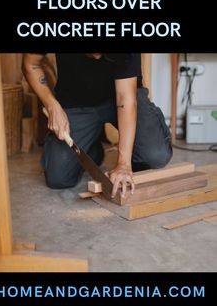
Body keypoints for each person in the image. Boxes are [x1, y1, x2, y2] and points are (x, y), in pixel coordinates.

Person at [22, 53, 172, 198]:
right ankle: (93, 150)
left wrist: (124, 165)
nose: (98, 57)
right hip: (75, 100)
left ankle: (133, 153)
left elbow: (125, 97)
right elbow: (30, 63)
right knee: (58, 177)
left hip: (121, 94)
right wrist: (51, 105)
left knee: (155, 155)